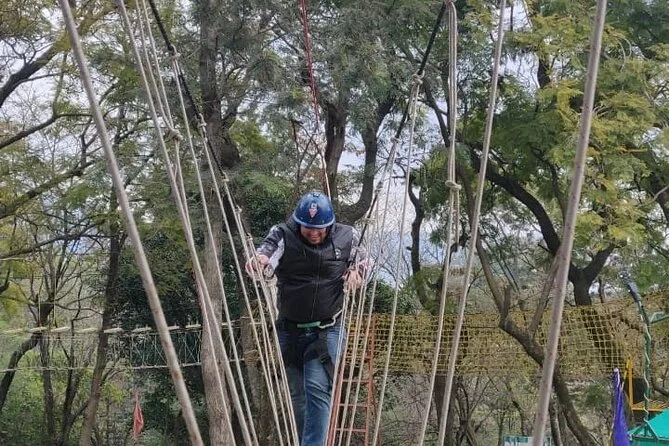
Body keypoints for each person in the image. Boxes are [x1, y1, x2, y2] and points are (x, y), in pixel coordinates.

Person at [246, 191, 370, 446]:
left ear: (330, 225)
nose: (314, 233)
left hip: (327, 329)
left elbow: (367, 262)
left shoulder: (348, 236)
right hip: (290, 329)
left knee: (316, 388)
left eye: (319, 229)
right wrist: (259, 262)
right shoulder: (283, 234)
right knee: (297, 395)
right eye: (308, 228)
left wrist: (357, 273)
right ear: (298, 222)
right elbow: (267, 252)